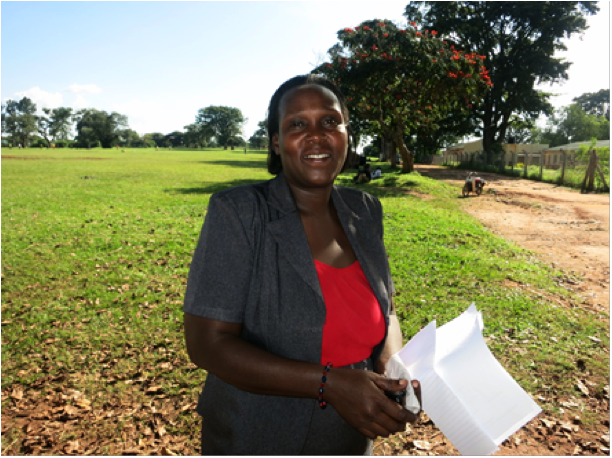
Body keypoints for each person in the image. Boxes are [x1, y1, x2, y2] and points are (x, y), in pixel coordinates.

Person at [183, 74, 421, 456]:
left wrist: (395, 366)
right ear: (276, 142)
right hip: (258, 437)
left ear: (346, 133)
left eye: (330, 121)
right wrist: (330, 383)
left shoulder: (365, 210)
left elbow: (386, 309)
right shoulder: (240, 213)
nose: (316, 134)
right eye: (297, 124)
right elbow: (206, 345)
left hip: (351, 437)